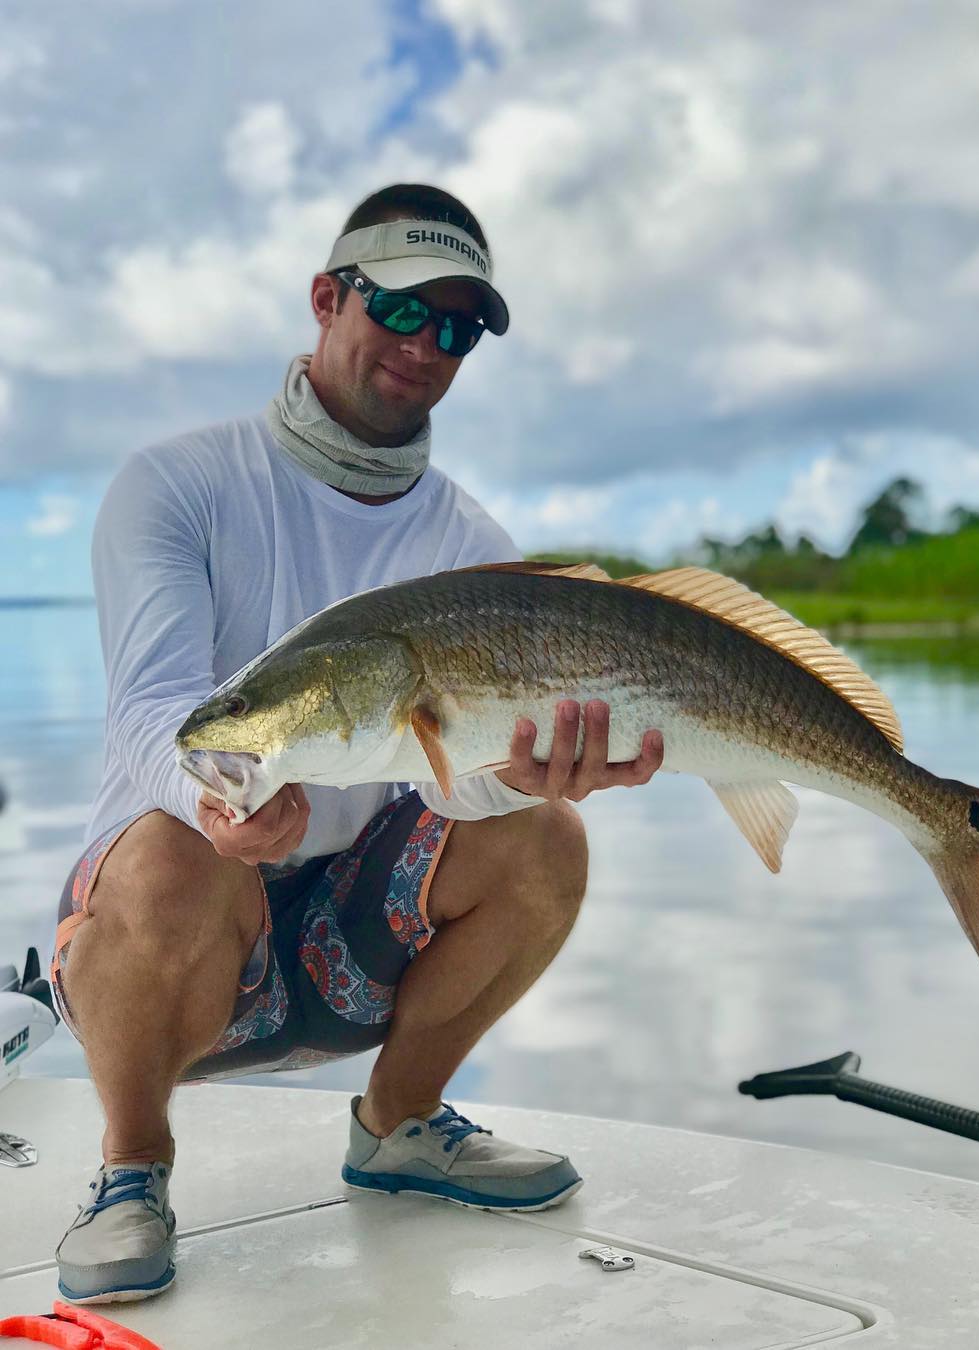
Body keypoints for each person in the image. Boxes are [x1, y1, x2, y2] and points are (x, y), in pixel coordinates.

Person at [48, 182, 665, 1305]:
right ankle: (132, 1167)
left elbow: (457, 788)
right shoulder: (178, 484)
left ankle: (399, 1126)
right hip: (162, 944)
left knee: (548, 835)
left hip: (350, 938)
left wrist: (522, 781)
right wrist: (215, 810)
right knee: (174, 852)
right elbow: (153, 715)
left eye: (458, 328)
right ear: (329, 297)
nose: (427, 347)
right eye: (400, 309)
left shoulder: (471, 545)